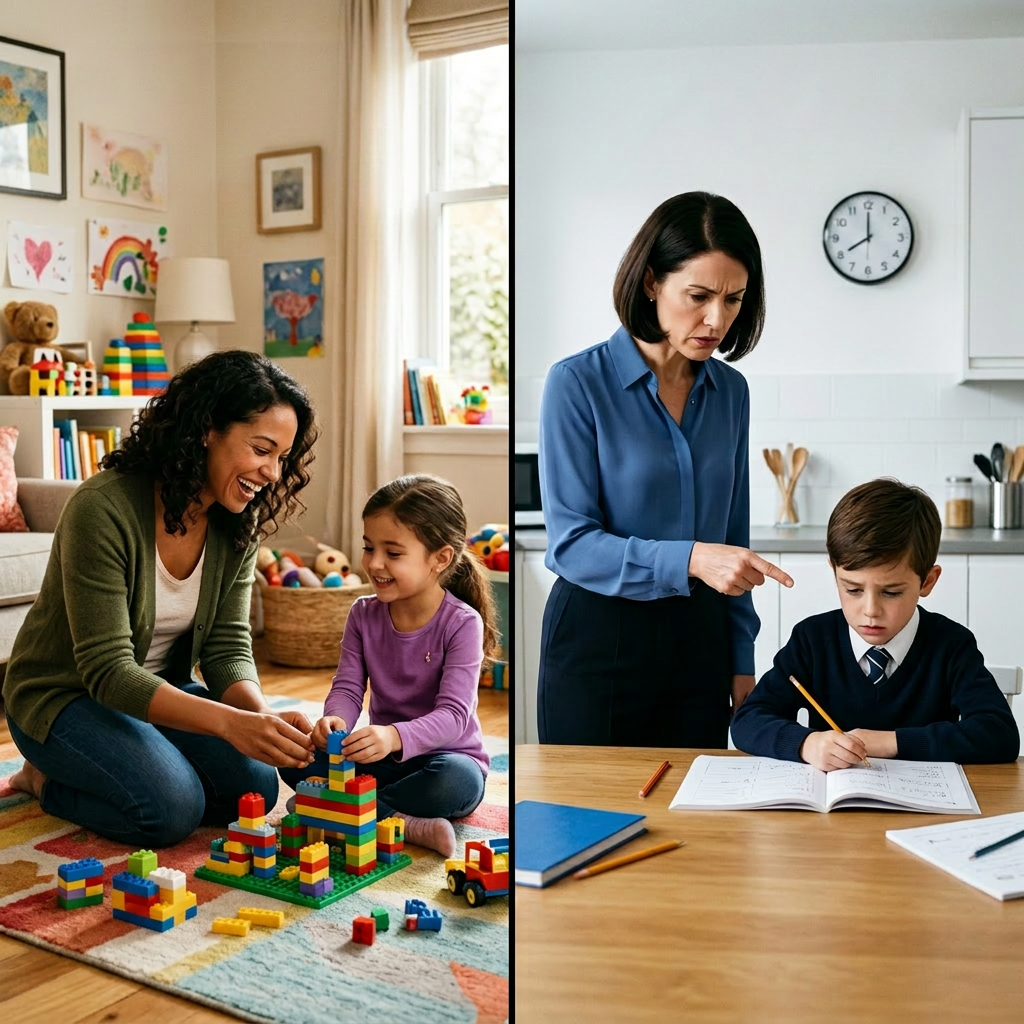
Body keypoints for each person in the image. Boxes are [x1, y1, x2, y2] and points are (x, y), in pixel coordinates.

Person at [4, 350, 320, 846]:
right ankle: (41, 779)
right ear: (207, 430)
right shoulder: (102, 510)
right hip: (65, 698)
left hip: (156, 695)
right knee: (171, 810)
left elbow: (227, 646)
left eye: (281, 457)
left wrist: (258, 720)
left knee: (254, 786)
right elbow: (108, 672)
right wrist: (227, 723)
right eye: (262, 450)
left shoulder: (238, 519)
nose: (273, 473)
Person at [538, 191, 793, 748]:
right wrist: (693, 557)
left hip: (699, 647)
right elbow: (572, 545)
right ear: (652, 282)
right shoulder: (576, 383)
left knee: (693, 823)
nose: (717, 319)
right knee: (584, 821)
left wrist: (741, 657)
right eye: (698, 296)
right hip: (597, 642)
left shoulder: (732, 393)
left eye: (734, 299)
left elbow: (733, 538)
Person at [731, 478, 1020, 768]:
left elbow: (999, 734)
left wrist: (889, 742)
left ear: (928, 581)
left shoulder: (951, 644)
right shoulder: (812, 639)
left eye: (891, 592)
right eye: (853, 590)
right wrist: (807, 744)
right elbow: (747, 722)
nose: (870, 610)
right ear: (834, 572)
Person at [279, 474, 497, 858]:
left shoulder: (462, 623)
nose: (374, 563)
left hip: (445, 759)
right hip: (381, 760)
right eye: (368, 547)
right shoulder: (363, 614)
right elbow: (348, 687)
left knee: (454, 783)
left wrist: (394, 737)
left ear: (440, 558)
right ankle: (394, 819)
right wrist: (336, 722)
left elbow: (453, 716)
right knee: (295, 759)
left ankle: (337, 810)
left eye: (393, 553)